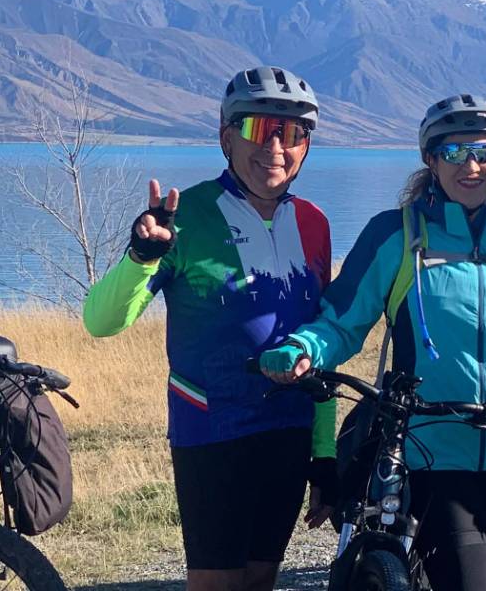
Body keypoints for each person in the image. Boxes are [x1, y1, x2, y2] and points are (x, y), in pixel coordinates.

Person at [260, 94, 486, 591]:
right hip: (433, 450)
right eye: (454, 152)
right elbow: (341, 322)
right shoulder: (396, 236)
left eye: (485, 152)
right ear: (430, 158)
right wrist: (303, 349)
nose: (471, 166)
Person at [82, 66, 336, 591]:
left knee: (261, 580)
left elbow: (323, 339)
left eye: (291, 133)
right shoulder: (187, 216)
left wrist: (325, 453)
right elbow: (101, 321)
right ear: (226, 138)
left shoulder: (314, 222)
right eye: (257, 129)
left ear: (306, 145)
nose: (274, 148)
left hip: (289, 429)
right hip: (213, 430)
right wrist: (141, 258)